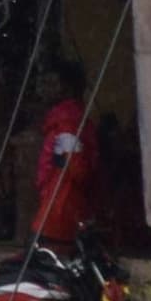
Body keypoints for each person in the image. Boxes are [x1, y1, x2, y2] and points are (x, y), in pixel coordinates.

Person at [32, 57, 97, 253]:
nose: (44, 90)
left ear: (66, 88)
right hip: (58, 205)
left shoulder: (67, 121)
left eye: (51, 84)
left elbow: (78, 169)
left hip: (60, 210)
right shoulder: (65, 119)